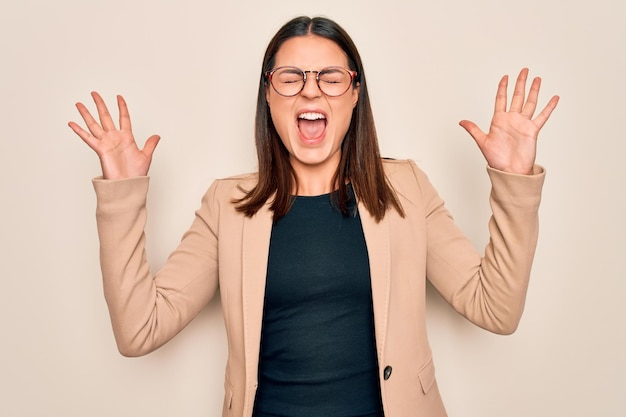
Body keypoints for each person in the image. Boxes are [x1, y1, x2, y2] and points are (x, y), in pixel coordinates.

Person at [68, 15, 559, 417]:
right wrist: (122, 194)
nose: (310, 91)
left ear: (354, 93)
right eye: (290, 78)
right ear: (268, 94)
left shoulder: (405, 188)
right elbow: (138, 331)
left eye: (330, 77)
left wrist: (513, 182)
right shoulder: (227, 205)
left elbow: (496, 308)